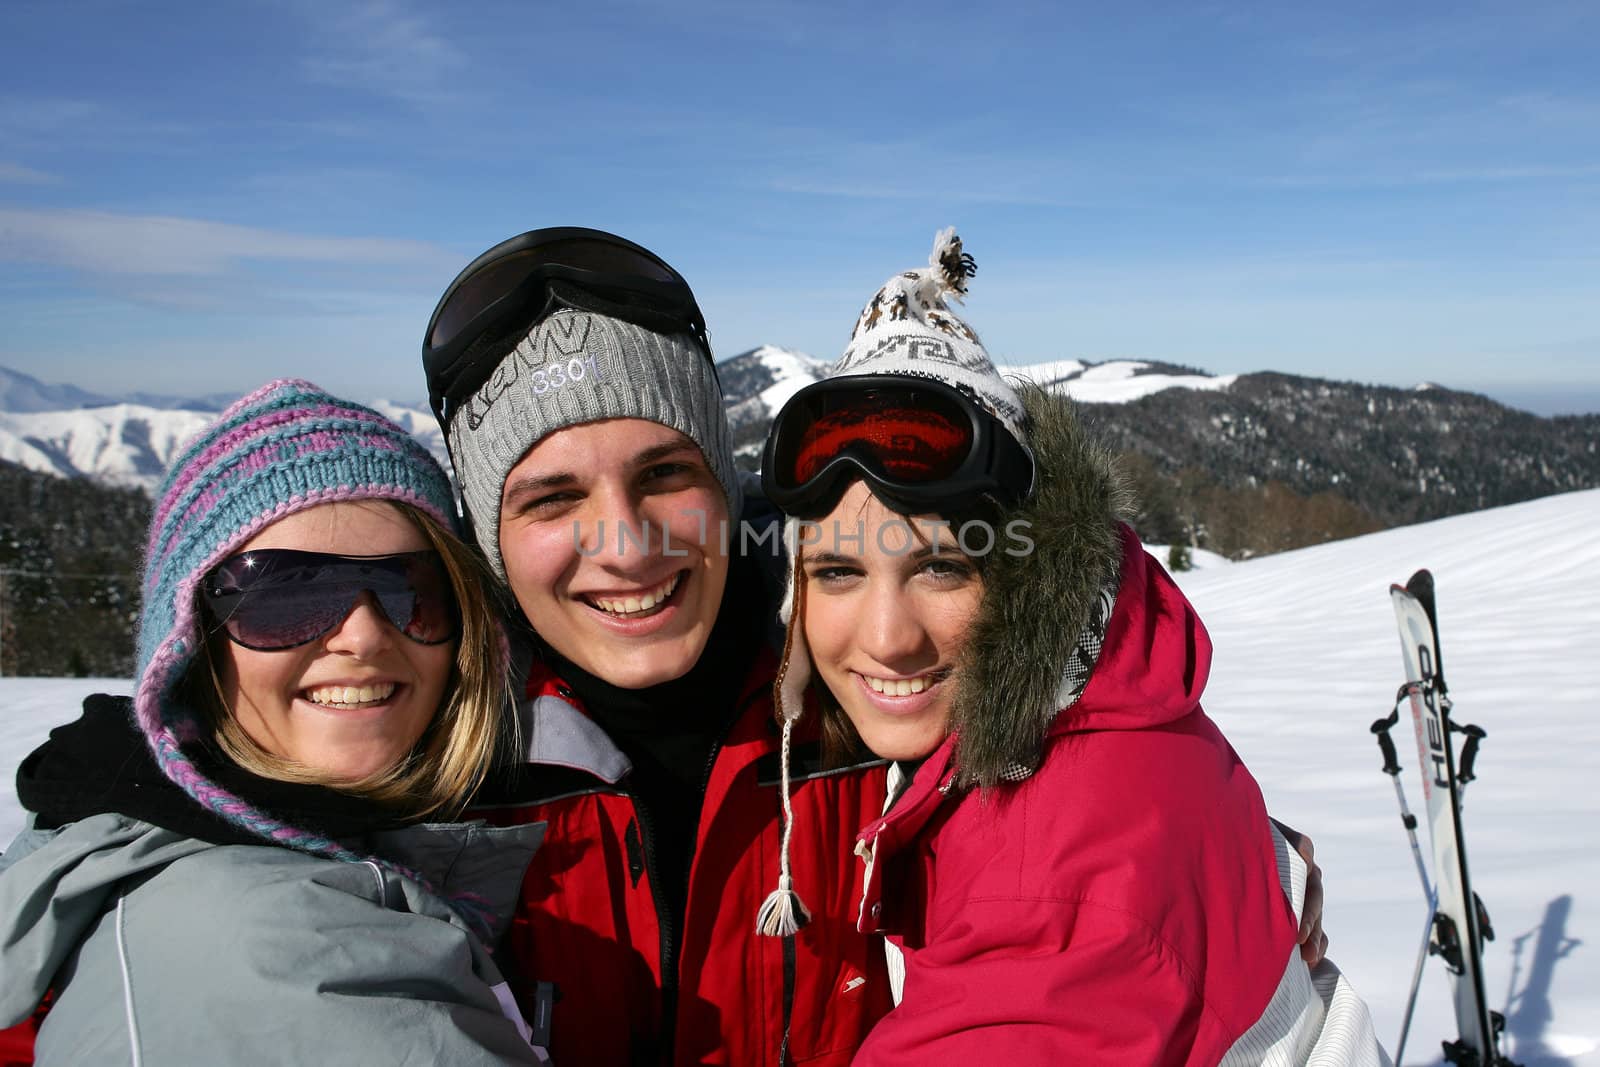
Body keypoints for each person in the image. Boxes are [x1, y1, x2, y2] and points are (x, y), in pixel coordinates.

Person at [419, 226, 1331, 1065]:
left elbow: (1088, 792)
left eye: (664, 473)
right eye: (550, 498)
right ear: (487, 539)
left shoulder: (859, 701)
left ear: (728, 490)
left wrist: (1211, 859)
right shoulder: (428, 763)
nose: (624, 543)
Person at [756, 230, 1389, 1063]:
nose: (886, 639)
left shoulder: (1050, 910)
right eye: (837, 572)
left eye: (943, 566)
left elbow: (1066, 925)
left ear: (1028, 571)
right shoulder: (1101, 700)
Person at [0, 381, 549, 1065]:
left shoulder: (154, 846)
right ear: (189, 645)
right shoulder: (270, 954)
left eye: (413, 588)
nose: (364, 635)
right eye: (286, 591)